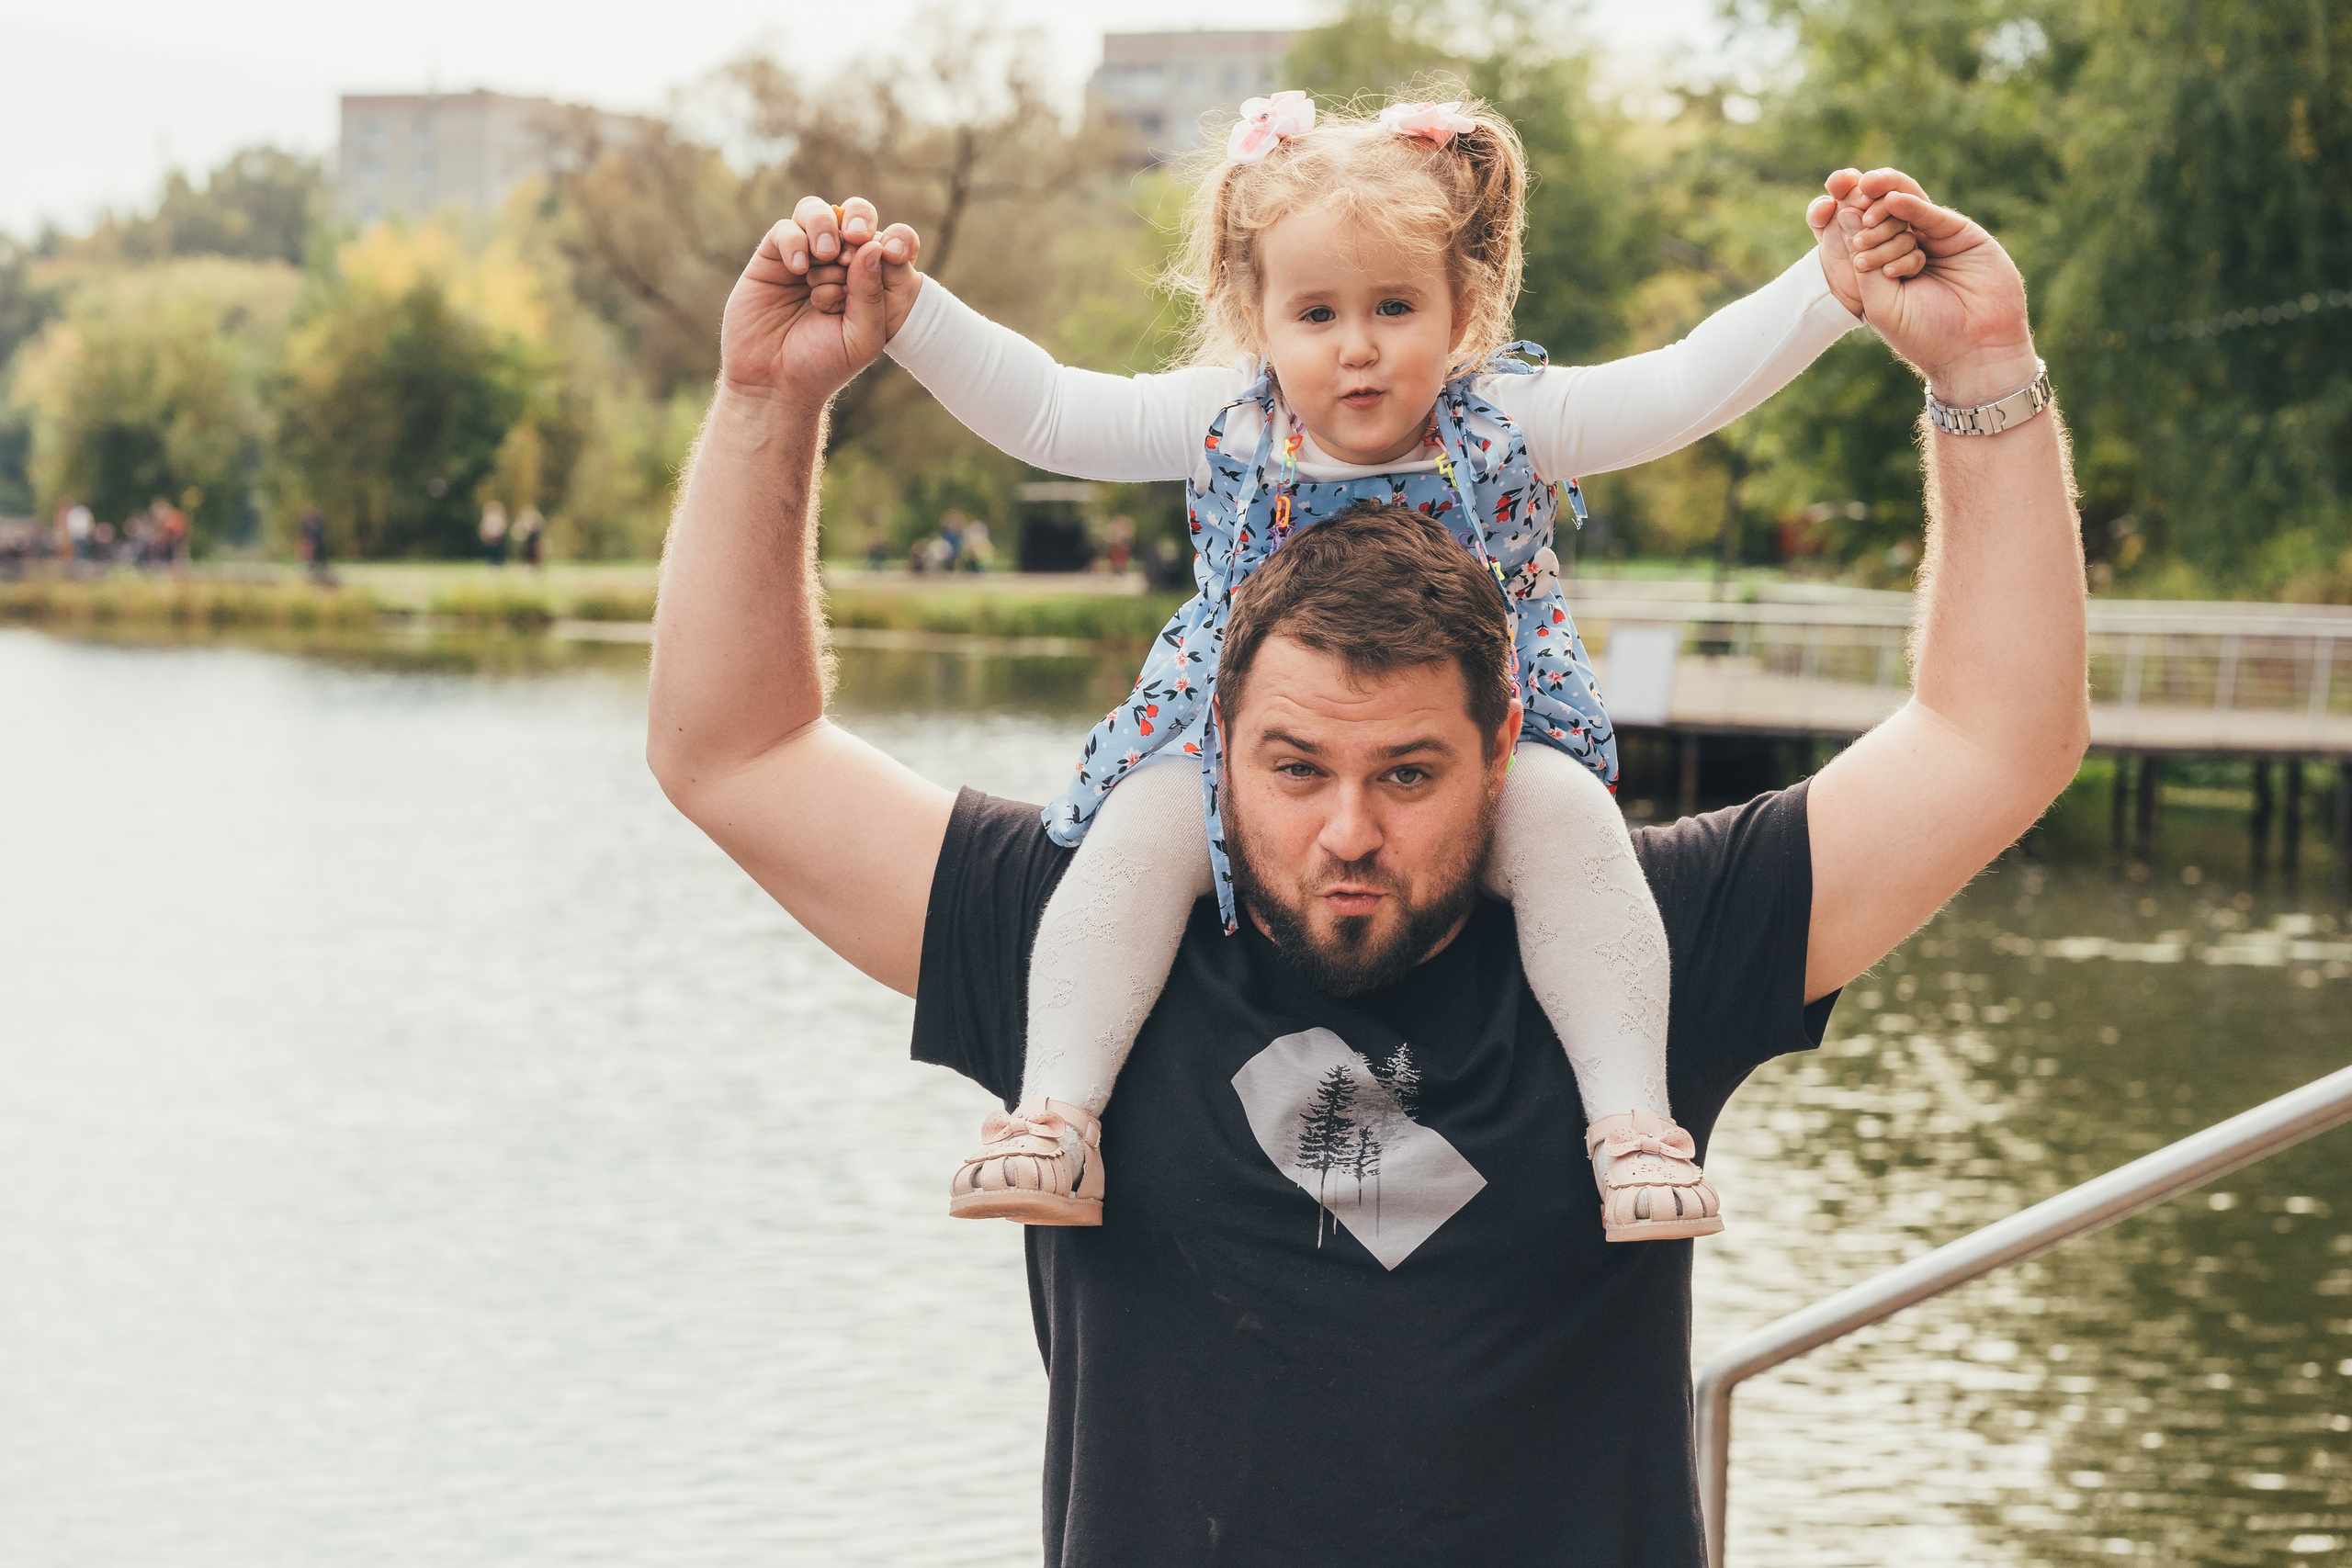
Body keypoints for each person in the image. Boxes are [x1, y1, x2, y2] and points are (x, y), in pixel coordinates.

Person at [644, 166, 2086, 1562]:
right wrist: (776, 397)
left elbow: (1993, 737)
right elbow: (736, 749)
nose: (1347, 829)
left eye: (1407, 773)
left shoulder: (1644, 938)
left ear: (1505, 737)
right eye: (1293, 767)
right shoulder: (1084, 926)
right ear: (1208, 735)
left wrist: (1984, 377)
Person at [866, 95, 1922, 1238]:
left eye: (1394, 306)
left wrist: (1826, 288)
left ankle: (1631, 1127)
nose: (1357, 346)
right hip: (1245, 738)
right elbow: (1052, 412)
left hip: (1470, 739)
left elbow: (1679, 386)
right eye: (1315, 312)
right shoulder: (1232, 421)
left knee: (1573, 832)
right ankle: (1055, 1119)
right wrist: (904, 313)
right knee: (1131, 842)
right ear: (1253, 314)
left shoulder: (1506, 419)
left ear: (1461, 310)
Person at [514, 504, 546, 570]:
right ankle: (528, 565)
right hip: (527, 543)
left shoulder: (536, 524)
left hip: (534, 542)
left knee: (535, 553)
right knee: (527, 552)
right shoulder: (524, 524)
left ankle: (535, 566)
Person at [480, 500, 509, 567]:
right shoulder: (488, 517)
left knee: (497, 550)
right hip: (489, 536)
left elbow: (502, 526)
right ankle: (491, 562)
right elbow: (484, 526)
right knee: (490, 550)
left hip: (497, 536)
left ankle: (498, 562)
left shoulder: (499, 517)